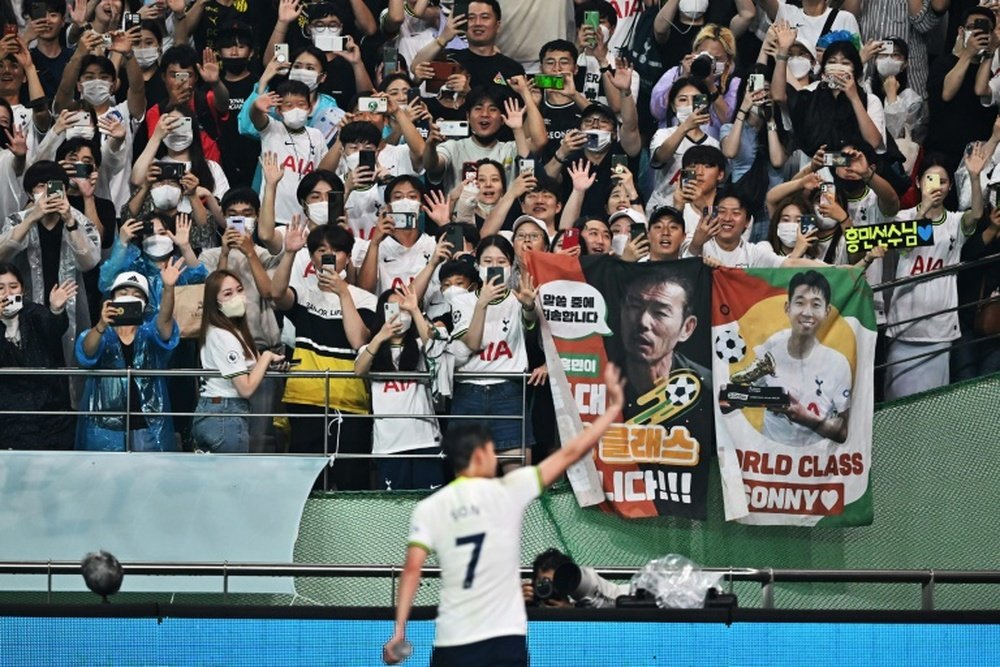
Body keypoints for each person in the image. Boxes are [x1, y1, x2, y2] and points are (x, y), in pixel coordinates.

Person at [382, 363, 625, 667]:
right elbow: (570, 453)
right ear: (481, 454)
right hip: (503, 640)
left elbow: (411, 572)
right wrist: (613, 409)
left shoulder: (431, 507)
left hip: (453, 640)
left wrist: (399, 631)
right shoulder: (508, 490)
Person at [75, 262, 184, 452]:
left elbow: (165, 324)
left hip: (148, 427)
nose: (129, 299)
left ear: (145, 303)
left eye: (137, 295)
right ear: (112, 298)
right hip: (104, 428)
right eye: (123, 293)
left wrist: (168, 288)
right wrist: (101, 325)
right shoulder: (100, 333)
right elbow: (87, 352)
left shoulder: (151, 333)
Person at [746, 270, 853, 445]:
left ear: (827, 312)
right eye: (800, 303)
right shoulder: (769, 350)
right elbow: (748, 392)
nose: (807, 312)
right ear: (787, 308)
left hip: (814, 463)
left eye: (816, 305)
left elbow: (842, 432)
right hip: (771, 459)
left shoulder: (838, 363)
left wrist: (805, 418)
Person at [355, 284, 444, 491]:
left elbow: (434, 349)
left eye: (404, 309)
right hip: (389, 445)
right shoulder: (370, 349)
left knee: (430, 506)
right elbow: (359, 370)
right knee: (394, 509)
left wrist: (414, 310)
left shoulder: (420, 346)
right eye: (393, 308)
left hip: (425, 441)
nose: (400, 314)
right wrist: (380, 336)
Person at [192, 269, 282, 454]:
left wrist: (269, 363)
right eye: (228, 293)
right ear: (215, 303)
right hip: (225, 415)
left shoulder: (233, 331)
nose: (237, 296)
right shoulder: (224, 336)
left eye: (239, 290)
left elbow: (251, 367)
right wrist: (265, 357)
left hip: (216, 412)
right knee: (232, 480)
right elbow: (246, 388)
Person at [0, 262, 76, 450]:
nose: (7, 294)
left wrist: (56, 310)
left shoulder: (33, 312)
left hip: (49, 412)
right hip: (9, 416)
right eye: (0, 288)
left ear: (23, 290)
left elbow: (54, 329)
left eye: (13, 287)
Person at [618, 267, 709, 414]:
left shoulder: (707, 387)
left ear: (687, 328)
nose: (643, 322)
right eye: (635, 306)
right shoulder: (600, 379)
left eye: (660, 313)